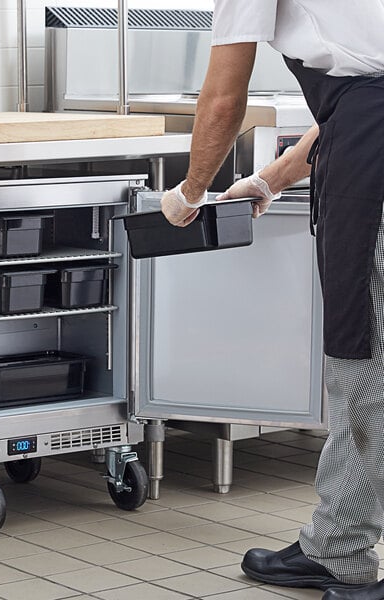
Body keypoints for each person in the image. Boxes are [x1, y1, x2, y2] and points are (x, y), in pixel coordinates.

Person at [160, 2, 384, 599]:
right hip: (361, 138)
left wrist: (189, 191)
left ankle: (343, 547)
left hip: (374, 160)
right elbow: (357, 100)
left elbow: (222, 101)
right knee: (357, 364)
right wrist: (271, 178)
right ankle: (338, 545)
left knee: (366, 367)